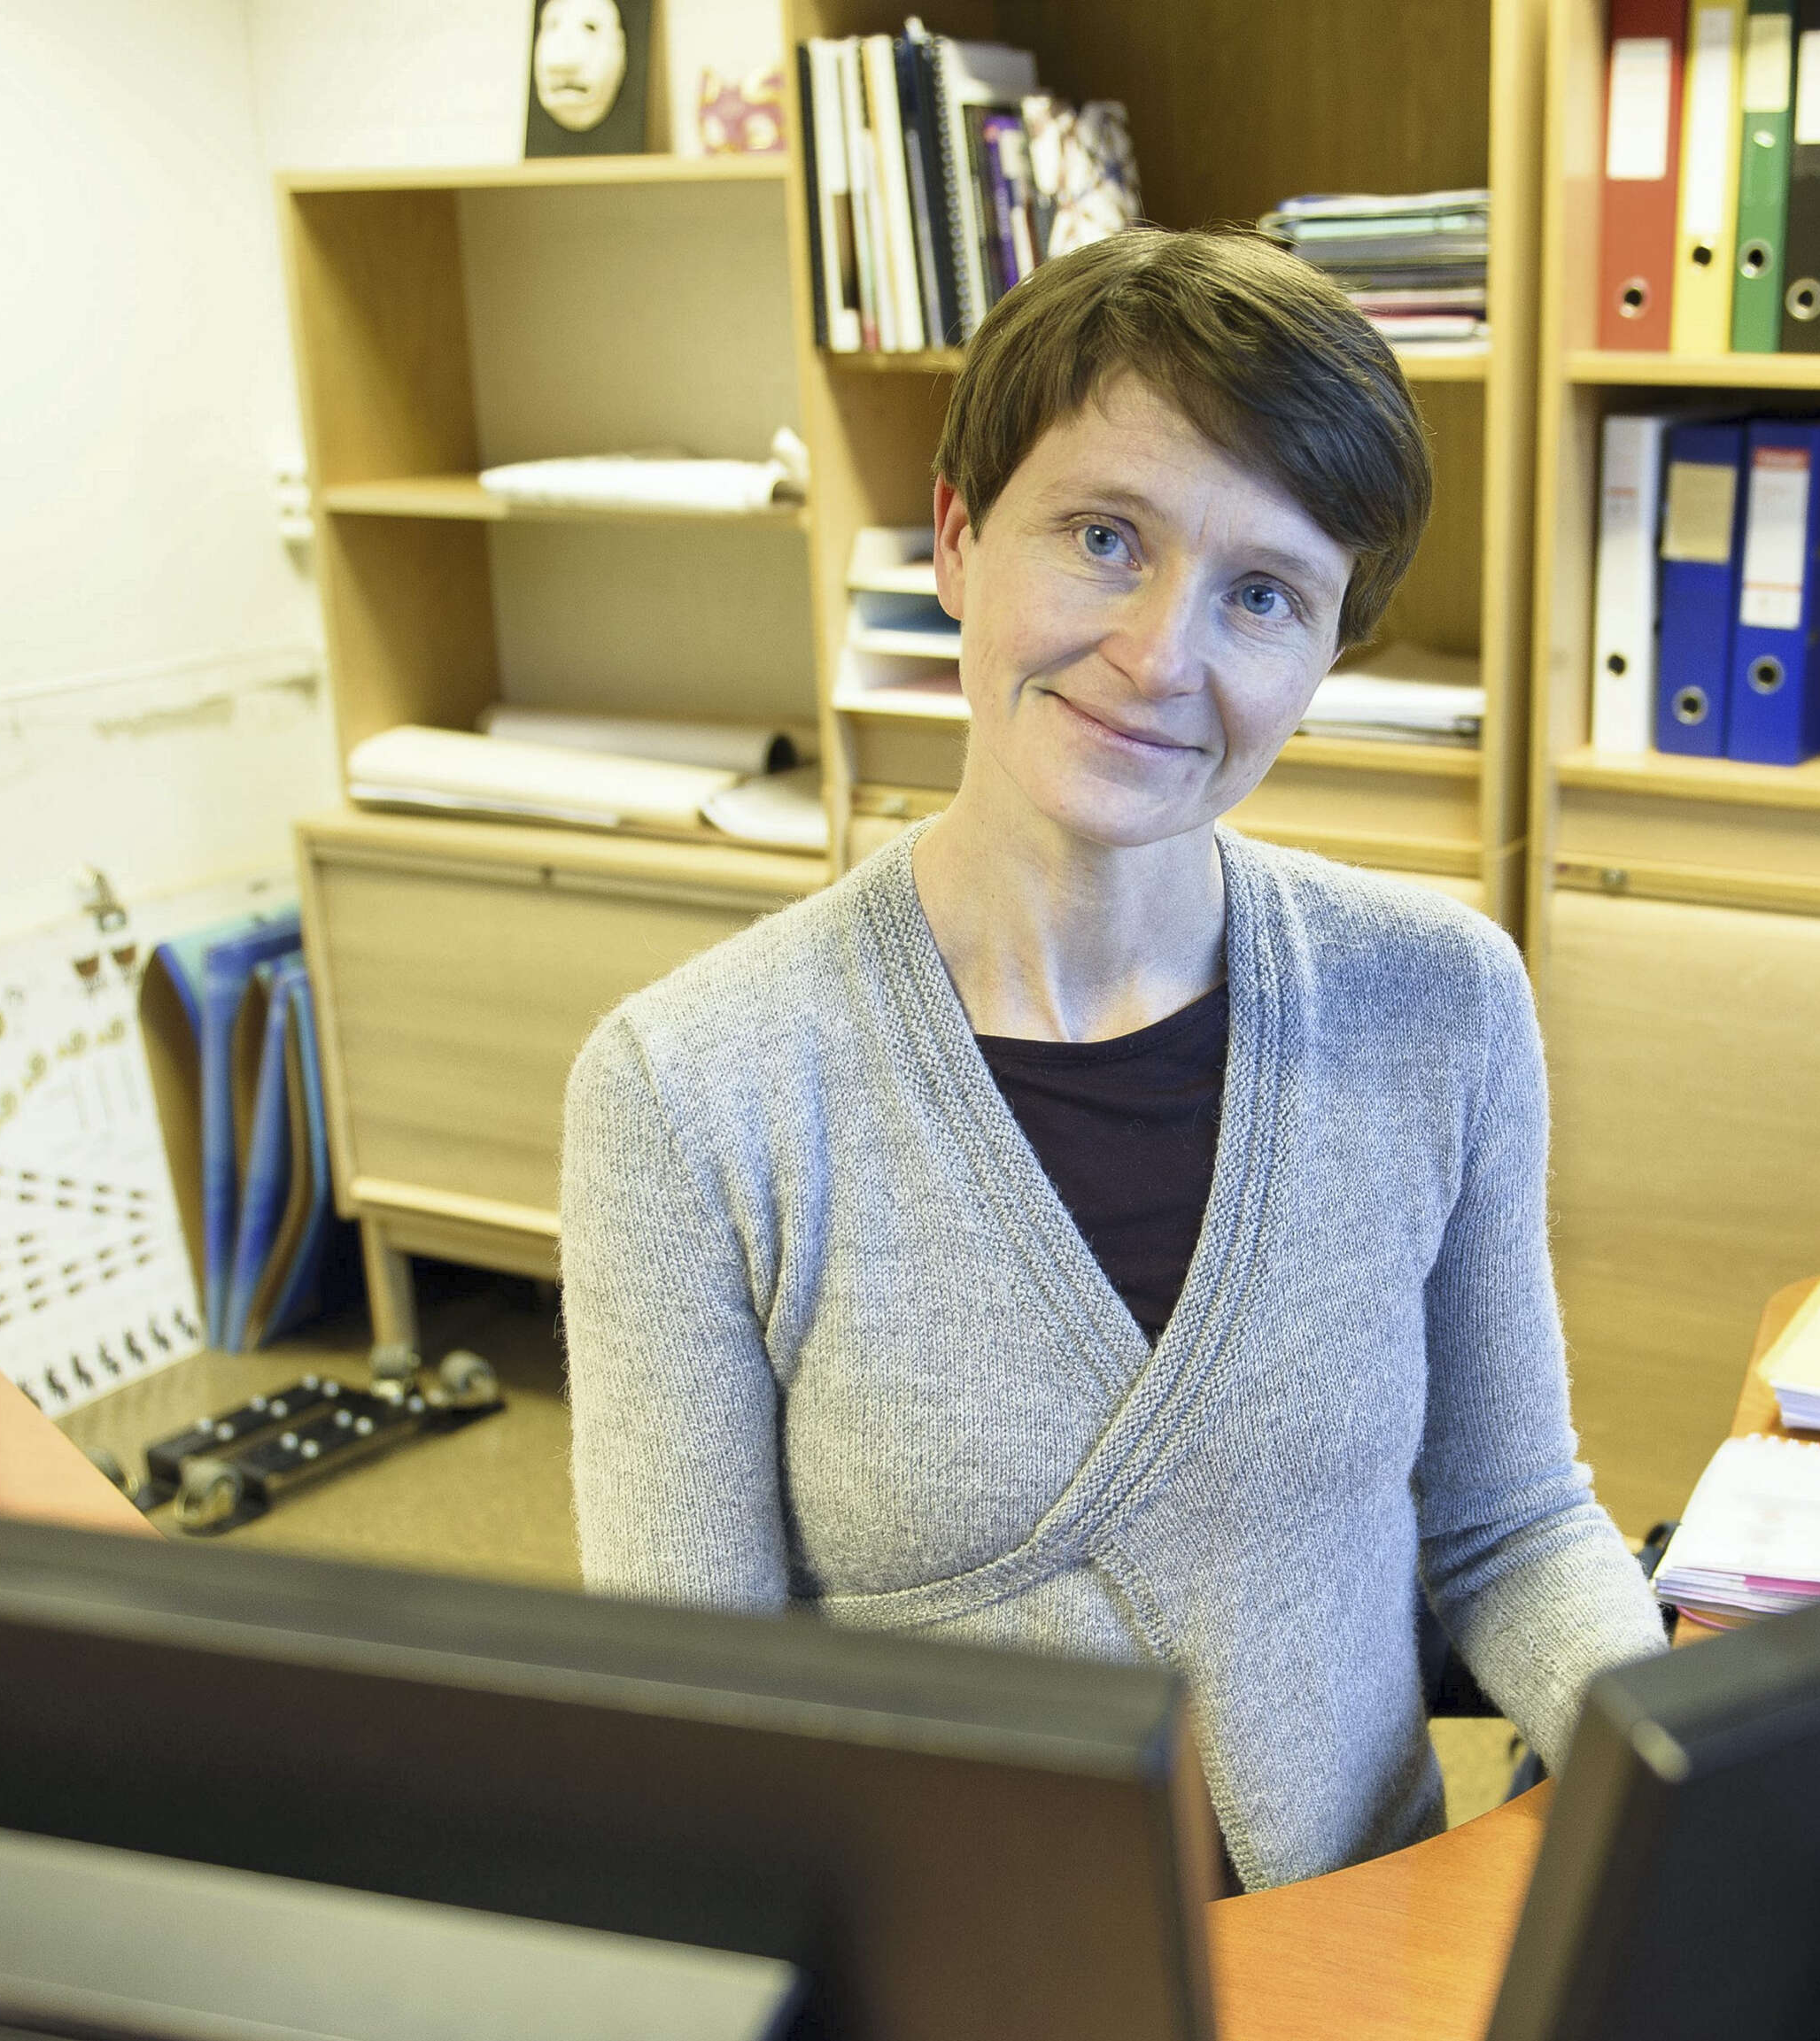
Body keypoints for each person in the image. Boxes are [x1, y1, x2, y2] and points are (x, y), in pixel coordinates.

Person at [562, 227, 1664, 1890]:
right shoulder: (689, 1088)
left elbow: (1508, 1524)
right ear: (956, 537)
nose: (1162, 657)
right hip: (953, 1969)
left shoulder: (1440, 999)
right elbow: (692, 1729)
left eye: (1264, 595)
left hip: (1362, 1953)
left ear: (1325, 655)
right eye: (1102, 539)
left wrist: (1678, 1770)